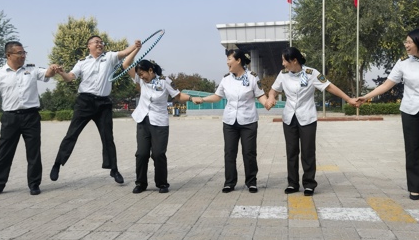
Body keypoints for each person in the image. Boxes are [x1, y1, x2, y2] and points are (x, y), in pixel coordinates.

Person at [356, 28, 419, 201]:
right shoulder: (403, 62)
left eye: (409, 42)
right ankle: (414, 189)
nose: (406, 45)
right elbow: (387, 84)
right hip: (411, 110)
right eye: (406, 41)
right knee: (412, 150)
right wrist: (366, 97)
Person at [266, 47, 358, 196]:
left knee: (308, 152)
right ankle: (292, 183)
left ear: (294, 60)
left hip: (307, 117)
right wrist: (271, 97)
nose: (282, 64)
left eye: (284, 60)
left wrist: (348, 99)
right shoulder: (283, 74)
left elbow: (329, 86)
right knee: (291, 152)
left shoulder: (311, 73)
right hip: (289, 118)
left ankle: (309, 184)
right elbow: (273, 90)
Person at [50, 36, 141, 184]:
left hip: (103, 103)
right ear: (89, 46)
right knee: (72, 134)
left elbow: (124, 53)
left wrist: (135, 46)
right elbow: (70, 77)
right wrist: (61, 73)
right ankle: (57, 164)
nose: (100, 44)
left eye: (101, 42)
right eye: (96, 42)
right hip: (85, 102)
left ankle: (114, 169)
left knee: (108, 138)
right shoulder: (82, 62)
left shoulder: (109, 57)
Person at [0, 41, 58, 196]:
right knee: (4, 153)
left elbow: (47, 74)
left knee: (33, 152)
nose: (23, 55)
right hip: (10, 118)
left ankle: (34, 184)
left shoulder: (31, 69)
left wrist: (52, 69)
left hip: (31, 117)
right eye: (19, 53)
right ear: (8, 55)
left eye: (24, 52)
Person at [193, 50, 269, 193]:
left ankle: (251, 182)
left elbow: (260, 95)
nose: (227, 62)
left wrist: (267, 103)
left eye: (229, 59)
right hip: (229, 122)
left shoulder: (253, 77)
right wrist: (203, 99)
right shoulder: (226, 79)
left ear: (238, 60)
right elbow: (218, 96)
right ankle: (229, 182)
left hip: (248, 121)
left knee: (249, 153)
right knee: (229, 152)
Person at [122, 53, 194, 194]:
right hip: (143, 120)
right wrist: (136, 49)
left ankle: (162, 183)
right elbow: (125, 64)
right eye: (139, 75)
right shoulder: (141, 80)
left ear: (150, 70)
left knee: (158, 154)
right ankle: (140, 183)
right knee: (141, 154)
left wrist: (192, 98)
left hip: (159, 123)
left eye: (142, 74)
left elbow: (178, 96)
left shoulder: (165, 81)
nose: (141, 77)